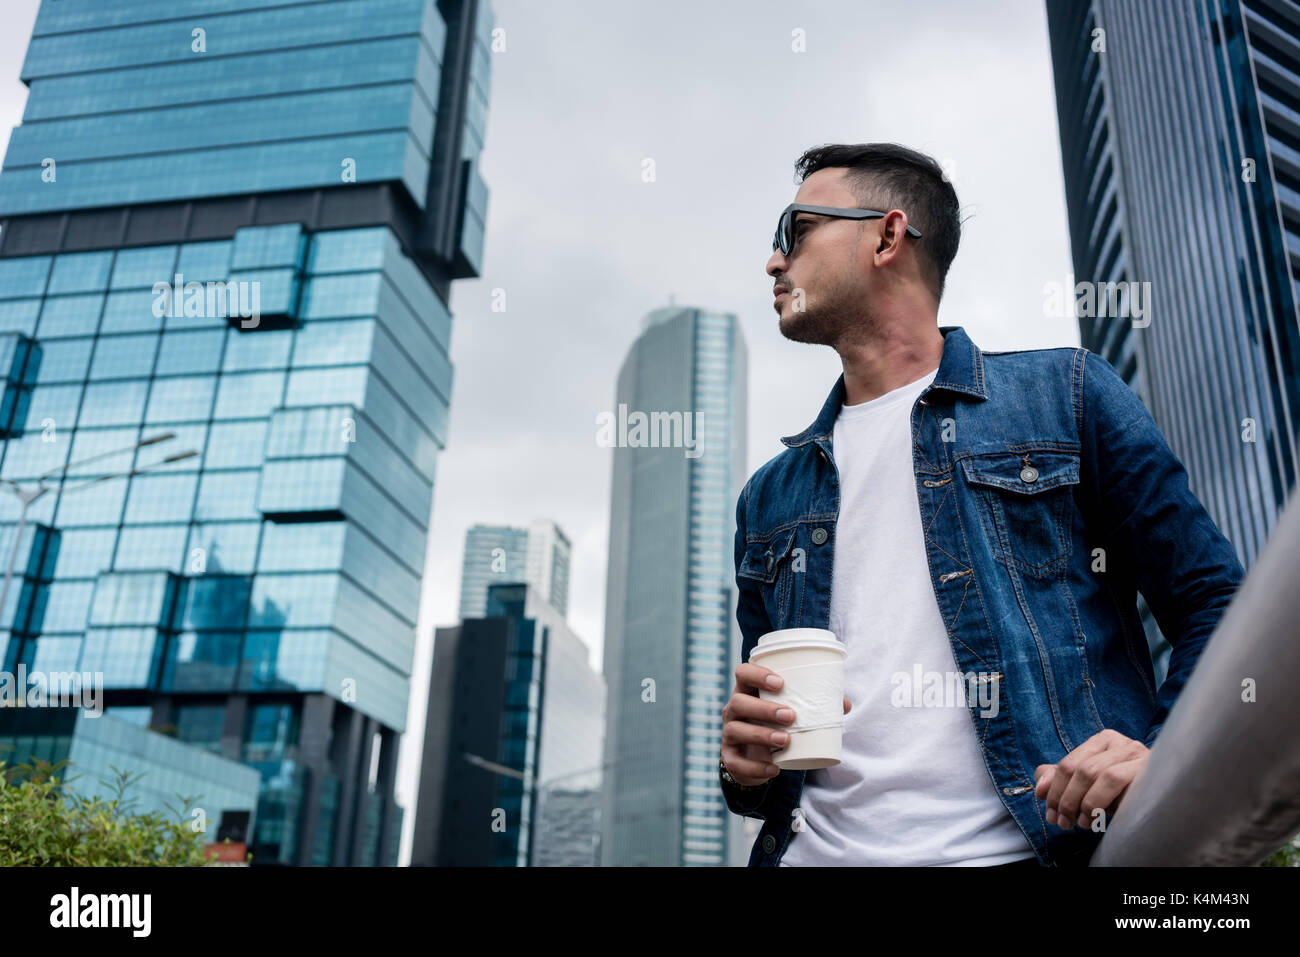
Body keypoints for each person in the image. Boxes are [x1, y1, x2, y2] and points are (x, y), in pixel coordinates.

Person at [718, 142, 1245, 867]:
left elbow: (1216, 601)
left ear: (886, 235)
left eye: (795, 231)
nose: (774, 263)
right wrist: (745, 768)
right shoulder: (768, 496)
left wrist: (1162, 754)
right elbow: (763, 758)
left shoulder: (1066, 396)